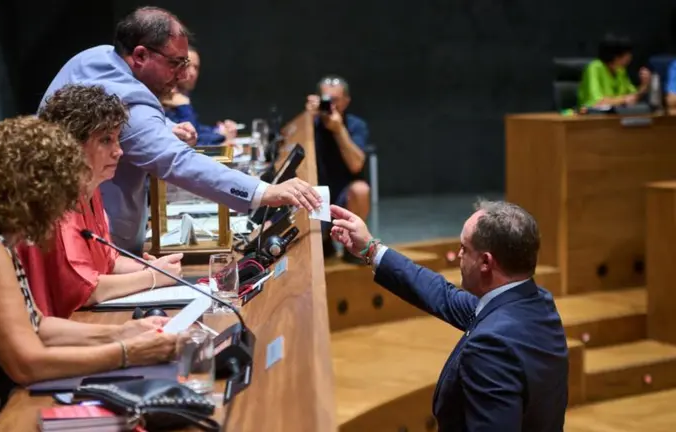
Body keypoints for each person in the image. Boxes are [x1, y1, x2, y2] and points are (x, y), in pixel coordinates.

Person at [0, 117, 178, 431]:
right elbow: (27, 363)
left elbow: (39, 326)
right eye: (64, 189)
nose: (67, 203)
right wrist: (127, 353)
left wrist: (122, 333)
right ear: (36, 191)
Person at [41, 6, 321, 255]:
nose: (184, 75)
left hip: (52, 221)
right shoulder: (130, 99)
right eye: (176, 63)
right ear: (140, 55)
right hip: (96, 246)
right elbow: (177, 161)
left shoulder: (95, 58)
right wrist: (264, 193)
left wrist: (167, 126)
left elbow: (121, 114)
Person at [330, 201, 568, 431]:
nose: (457, 255)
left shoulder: (491, 347)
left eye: (464, 248)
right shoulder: (536, 303)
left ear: (486, 262)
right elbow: (442, 294)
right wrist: (371, 249)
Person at [17, 84, 184, 318]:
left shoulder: (90, 188)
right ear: (72, 145)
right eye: (106, 140)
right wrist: (153, 277)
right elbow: (85, 290)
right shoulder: (53, 199)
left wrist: (153, 267)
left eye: (117, 140)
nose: (119, 151)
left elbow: (109, 261)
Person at [305, 75, 370, 263]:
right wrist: (308, 120)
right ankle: (324, 241)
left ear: (346, 101)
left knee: (361, 190)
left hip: (343, 194)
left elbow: (356, 164)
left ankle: (353, 246)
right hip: (314, 193)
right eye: (326, 100)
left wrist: (338, 129)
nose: (330, 105)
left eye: (335, 100)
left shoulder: (356, 126)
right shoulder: (310, 124)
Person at [161, 45, 238, 146]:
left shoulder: (181, 97)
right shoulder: (164, 98)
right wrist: (184, 106)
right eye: (187, 66)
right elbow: (191, 139)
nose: (193, 73)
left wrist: (219, 131)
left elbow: (197, 129)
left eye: (196, 67)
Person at [577, 33, 651, 108]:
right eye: (627, 54)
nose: (630, 57)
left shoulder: (620, 70)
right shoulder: (594, 68)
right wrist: (624, 99)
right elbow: (597, 103)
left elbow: (633, 97)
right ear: (615, 56)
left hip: (615, 115)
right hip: (591, 117)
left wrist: (644, 85)